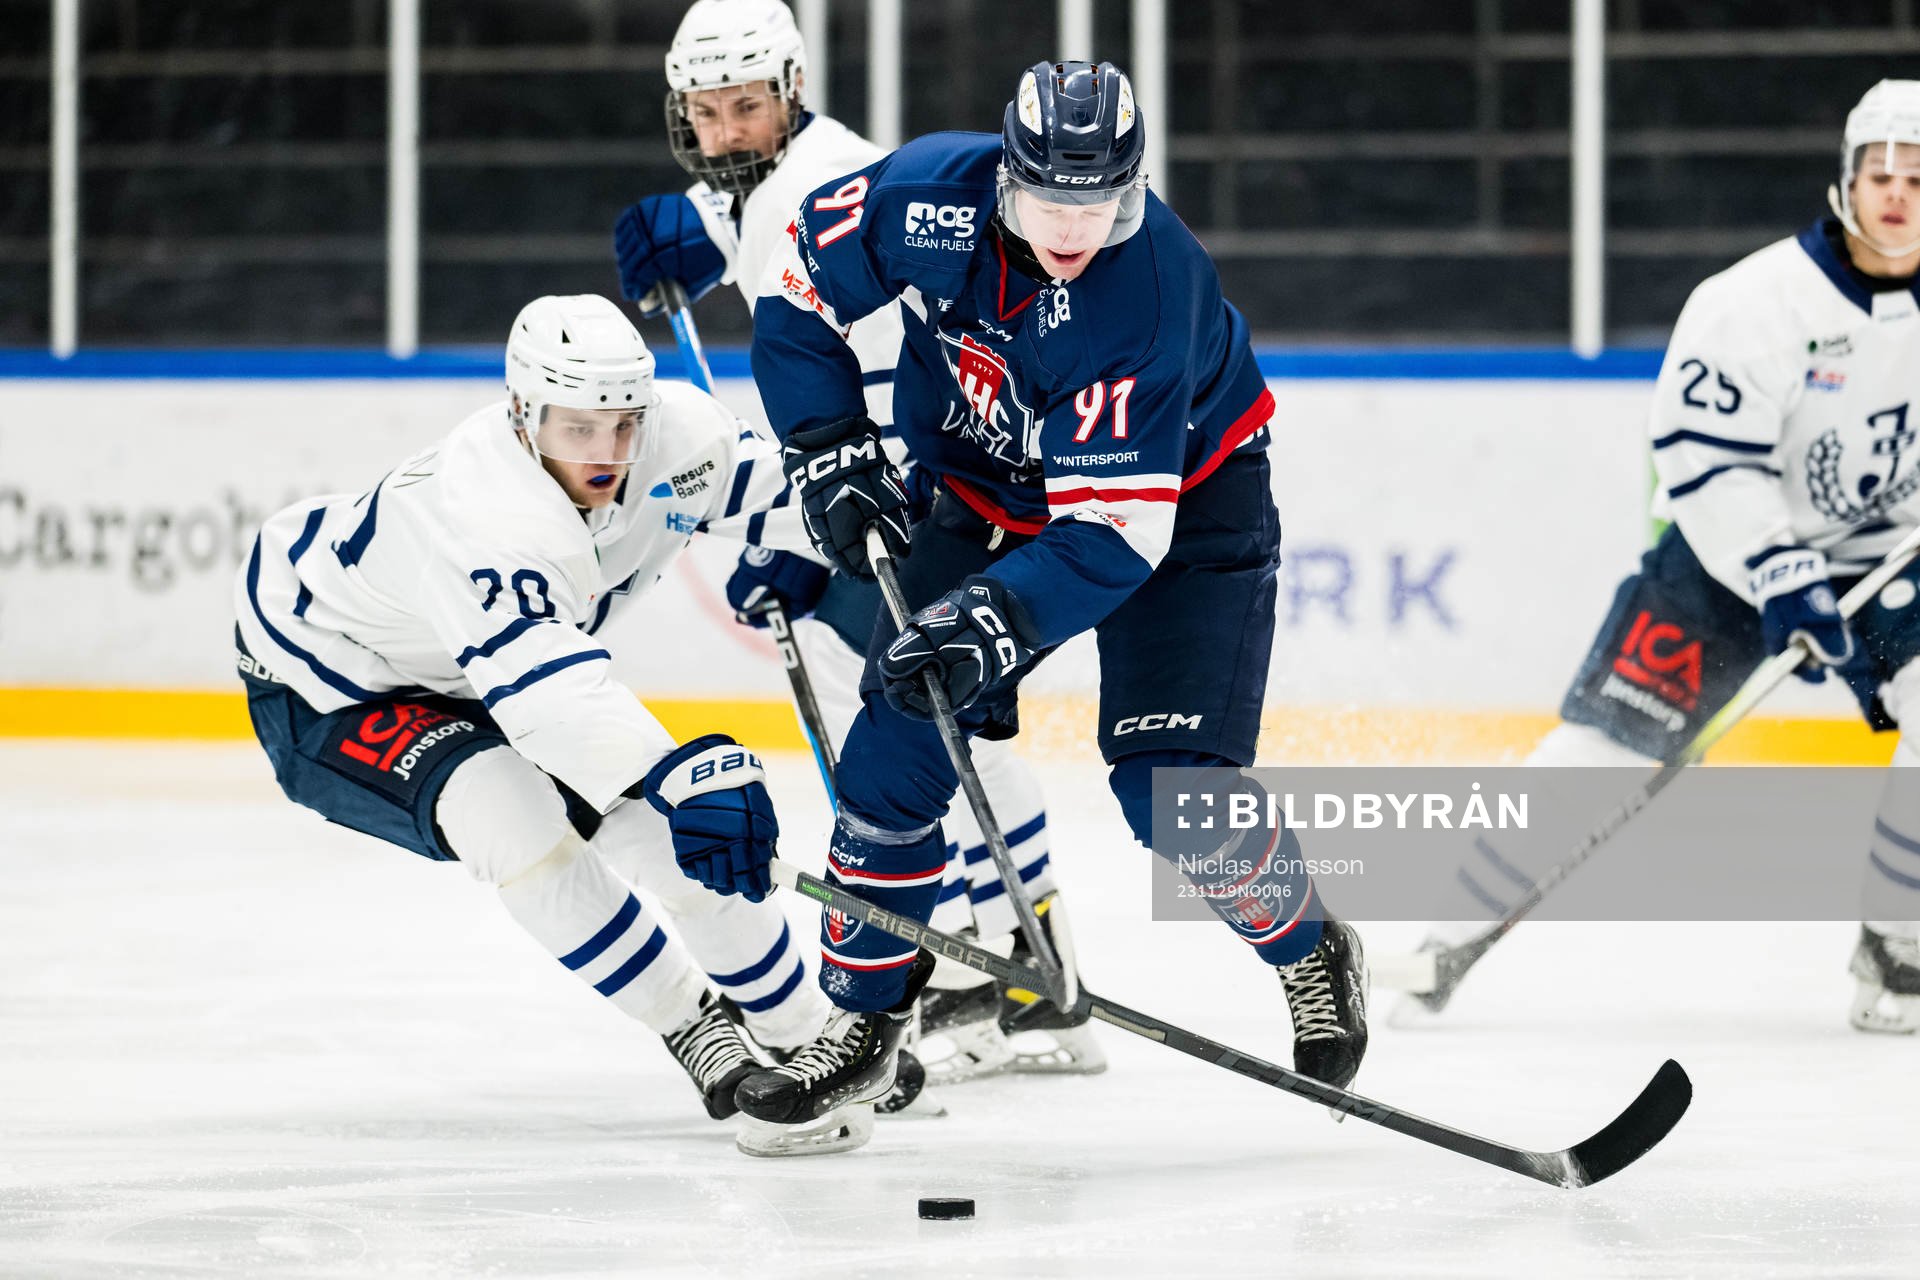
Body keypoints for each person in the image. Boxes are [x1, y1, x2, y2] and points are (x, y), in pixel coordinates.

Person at [665, 59, 1372, 1135]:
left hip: (1182, 502)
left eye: (1103, 202)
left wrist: (992, 619)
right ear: (1005, 177)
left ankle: (1307, 942)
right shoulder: (927, 198)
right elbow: (800, 292)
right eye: (1050, 200)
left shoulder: (1148, 290)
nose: (1074, 228)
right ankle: (864, 1022)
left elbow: (1116, 532)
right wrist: (828, 447)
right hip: (983, 487)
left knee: (1169, 790)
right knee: (898, 741)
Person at [233, 292, 898, 1154]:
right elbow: (544, 697)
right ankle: (691, 1023)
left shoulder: (678, 439)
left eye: (624, 423)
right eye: (580, 428)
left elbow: (798, 498)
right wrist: (681, 772)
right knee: (512, 818)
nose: (609, 452)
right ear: (522, 414)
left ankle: (805, 1030)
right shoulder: (476, 512)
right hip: (329, 676)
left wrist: (879, 535)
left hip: (482, 665)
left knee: (669, 839)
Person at [610, 0, 1101, 1082]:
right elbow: (736, 212)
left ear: (790, 92)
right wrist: (687, 226)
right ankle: (1021, 957)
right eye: (707, 112)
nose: (728, 130)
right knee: (925, 710)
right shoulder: (770, 176)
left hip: (930, 484)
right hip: (911, 477)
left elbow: (890, 386)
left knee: (922, 715)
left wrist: (807, 529)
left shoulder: (816, 194)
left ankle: (1021, 962)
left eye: (747, 106)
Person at [1404, 79, 1920, 1033]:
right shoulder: (1753, 303)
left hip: (1888, 563)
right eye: (1879, 172)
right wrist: (1779, 572)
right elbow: (1703, 457)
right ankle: (1445, 935)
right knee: (1603, 746)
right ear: (1845, 180)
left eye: (1919, 178)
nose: (1897, 194)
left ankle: (1897, 946)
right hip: (1728, 566)